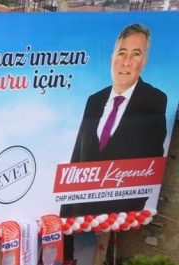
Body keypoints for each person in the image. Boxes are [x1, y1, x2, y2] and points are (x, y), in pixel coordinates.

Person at [70, 23, 166, 164]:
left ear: (144, 61)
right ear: (112, 58)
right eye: (122, 53)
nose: (126, 62)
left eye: (136, 54)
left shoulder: (154, 100)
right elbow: (77, 156)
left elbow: (151, 164)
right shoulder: (94, 100)